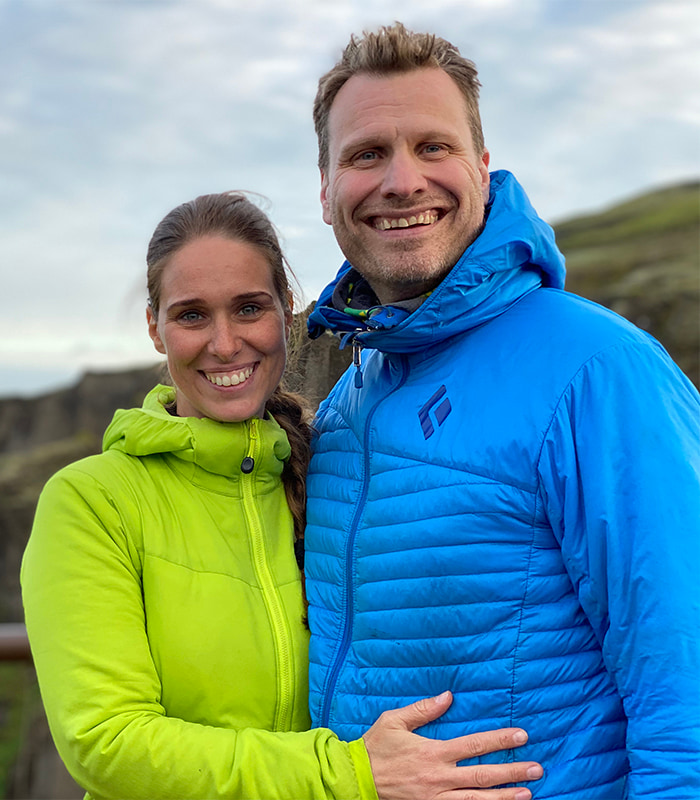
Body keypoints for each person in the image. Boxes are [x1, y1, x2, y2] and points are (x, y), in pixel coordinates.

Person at [21, 191, 543, 800]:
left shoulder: (334, 475)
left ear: (287, 313)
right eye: (191, 315)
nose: (223, 344)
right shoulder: (90, 502)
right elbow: (106, 741)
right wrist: (345, 773)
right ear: (155, 329)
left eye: (248, 309)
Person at [303, 22, 700, 800]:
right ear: (325, 191)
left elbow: (684, 679)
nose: (403, 180)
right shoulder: (349, 400)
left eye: (433, 147)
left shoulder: (596, 367)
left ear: (483, 169)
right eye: (365, 154)